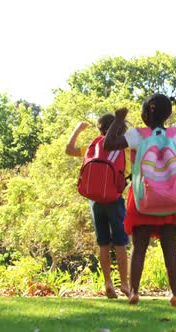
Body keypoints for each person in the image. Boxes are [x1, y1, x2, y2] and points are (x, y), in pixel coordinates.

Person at [104, 95, 176, 306]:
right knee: (170, 247)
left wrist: (117, 120)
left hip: (144, 196)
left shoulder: (137, 135)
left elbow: (109, 145)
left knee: (139, 246)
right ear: (167, 114)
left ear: (145, 114)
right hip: (173, 197)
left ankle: (134, 291)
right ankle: (175, 294)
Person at [65, 115, 130, 299]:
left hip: (95, 200)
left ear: (100, 129)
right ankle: (124, 284)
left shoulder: (93, 147)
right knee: (120, 243)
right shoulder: (124, 148)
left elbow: (69, 150)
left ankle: (108, 283)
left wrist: (78, 129)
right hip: (114, 199)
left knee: (103, 242)